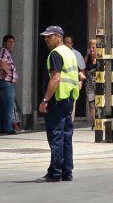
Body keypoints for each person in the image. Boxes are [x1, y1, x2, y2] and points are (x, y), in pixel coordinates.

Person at [37, 25, 80, 182]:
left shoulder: (55, 54)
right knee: (66, 135)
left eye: (49, 36)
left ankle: (55, 172)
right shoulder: (69, 53)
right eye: (45, 36)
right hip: (68, 99)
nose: (46, 39)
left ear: (58, 37)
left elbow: (55, 78)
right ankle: (66, 172)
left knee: (56, 135)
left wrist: (45, 100)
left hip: (57, 100)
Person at [0, 34, 19, 135]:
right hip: (5, 82)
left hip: (3, 82)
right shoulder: (4, 51)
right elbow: (1, 61)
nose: (11, 44)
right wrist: (9, 73)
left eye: (13, 42)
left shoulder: (5, 51)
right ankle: (7, 128)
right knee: (9, 105)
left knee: (3, 106)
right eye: (9, 42)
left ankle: (0, 127)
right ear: (4, 42)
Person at [63, 35, 87, 121]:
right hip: (62, 87)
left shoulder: (76, 54)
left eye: (68, 42)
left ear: (72, 44)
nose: (66, 44)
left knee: (71, 108)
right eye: (65, 42)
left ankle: (69, 123)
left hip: (73, 86)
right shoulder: (58, 53)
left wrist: (80, 82)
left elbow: (82, 69)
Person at [84, 39, 98, 127]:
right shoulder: (87, 58)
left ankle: (99, 121)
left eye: (93, 47)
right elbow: (83, 70)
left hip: (100, 85)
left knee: (99, 104)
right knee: (91, 104)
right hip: (90, 86)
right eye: (90, 47)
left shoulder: (101, 58)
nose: (91, 49)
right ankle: (94, 121)